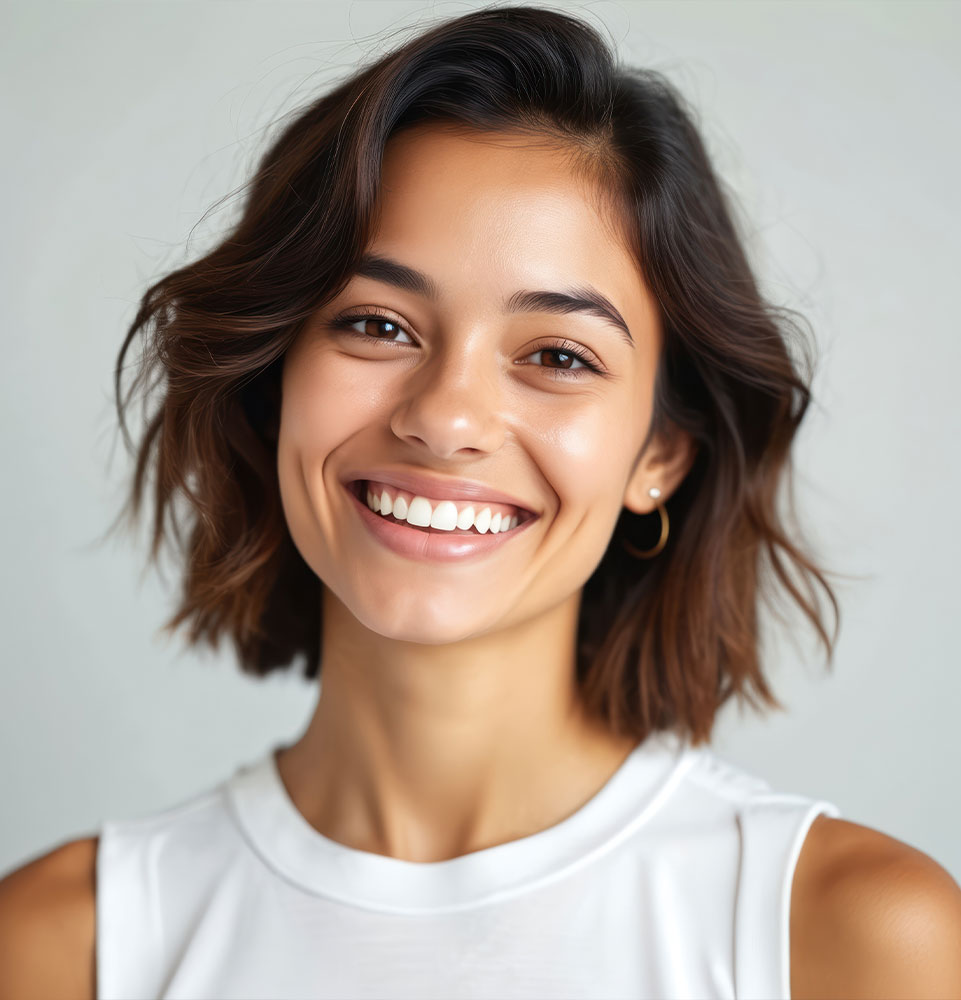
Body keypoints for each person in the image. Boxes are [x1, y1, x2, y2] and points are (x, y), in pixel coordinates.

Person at [3, 5, 960, 999]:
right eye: (377, 325)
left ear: (660, 454)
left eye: (558, 356)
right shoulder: (65, 947)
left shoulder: (845, 937)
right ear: (272, 380)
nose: (445, 418)